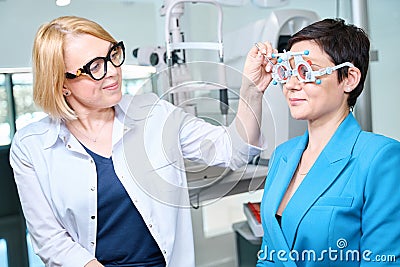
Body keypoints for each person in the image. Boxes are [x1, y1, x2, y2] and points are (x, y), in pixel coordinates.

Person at [9, 16, 273, 267]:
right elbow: (50, 240)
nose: (112, 72)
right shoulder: (31, 146)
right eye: (95, 67)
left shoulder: (154, 114)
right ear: (62, 84)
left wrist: (251, 88)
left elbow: (232, 151)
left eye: (113, 55)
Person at [256, 18, 400, 266]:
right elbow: (270, 254)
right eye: (287, 72)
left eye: (304, 71)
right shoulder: (283, 156)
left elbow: (382, 261)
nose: (291, 85)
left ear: (349, 78)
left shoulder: (380, 158)